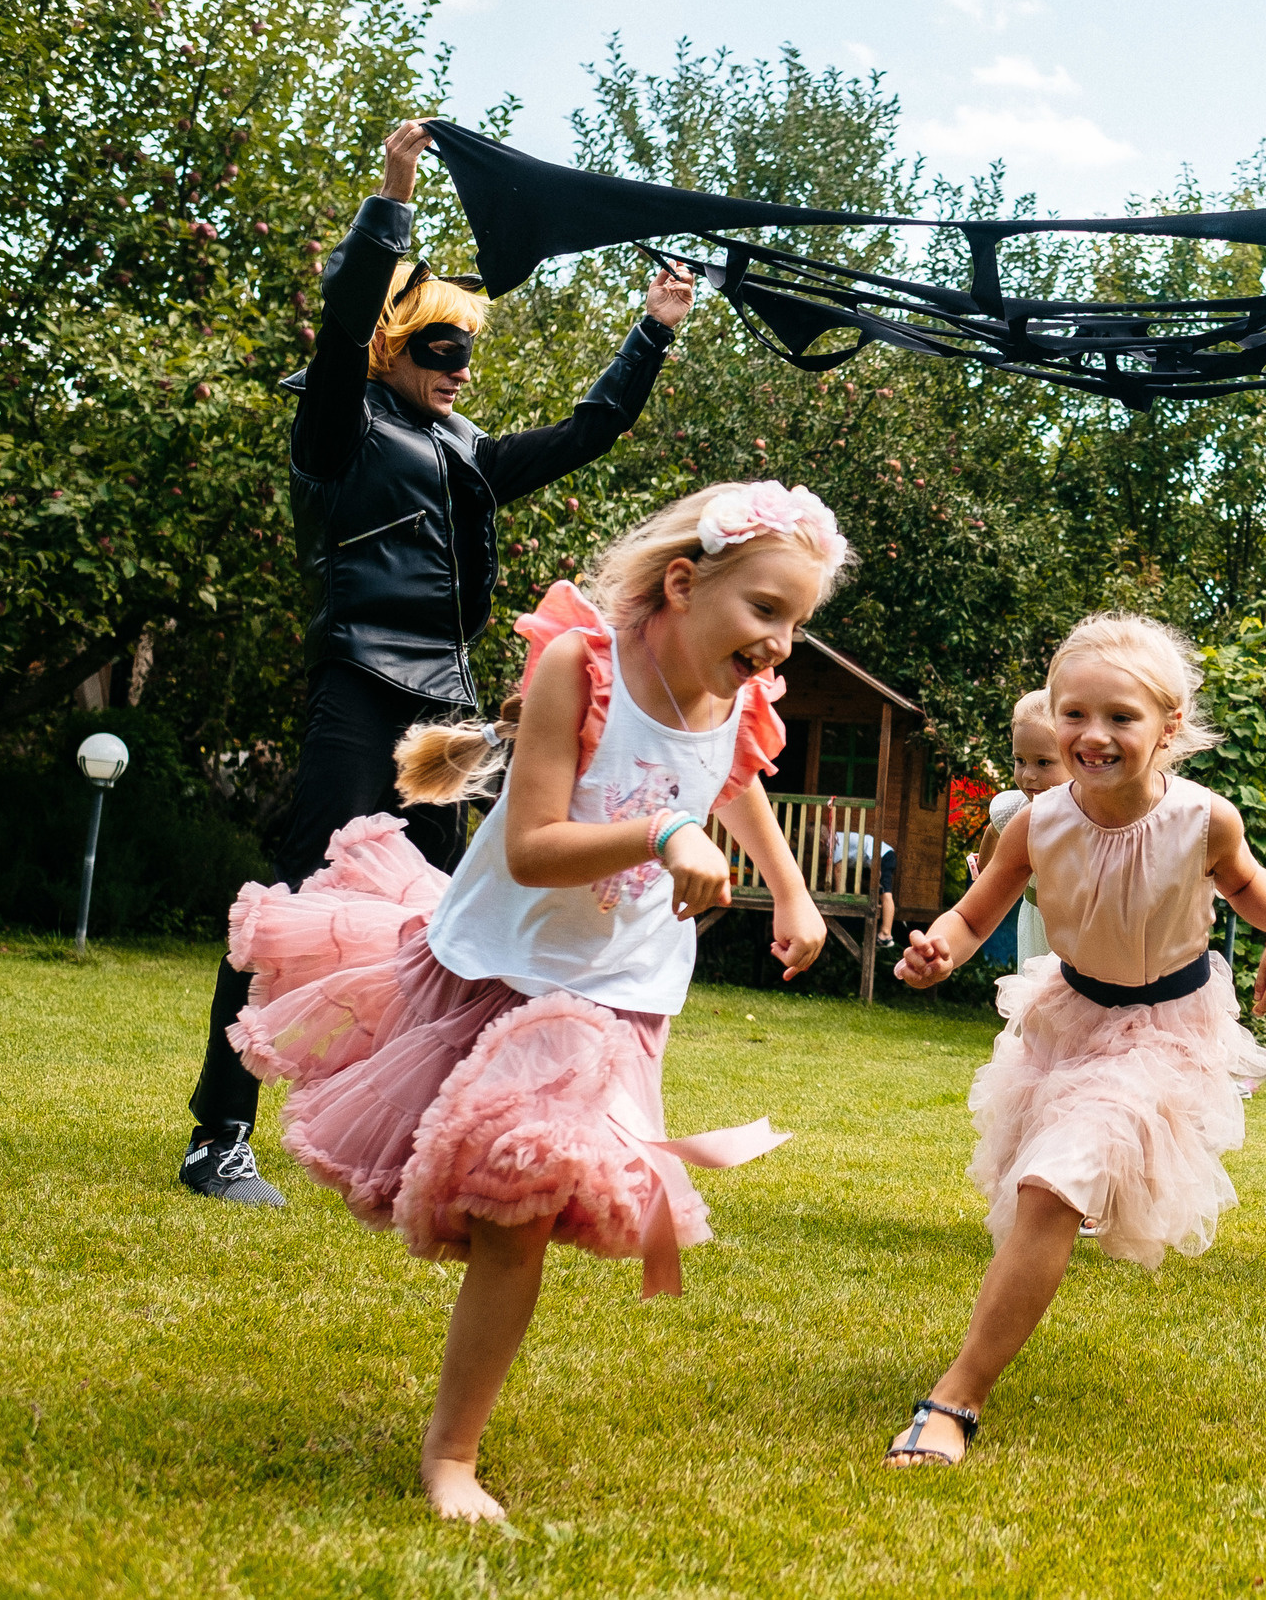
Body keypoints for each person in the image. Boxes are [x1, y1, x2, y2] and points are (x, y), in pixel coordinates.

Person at [222, 481, 843, 1520]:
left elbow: (733, 774)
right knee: (503, 1211)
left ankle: (451, 1450)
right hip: (504, 967)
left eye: (798, 622)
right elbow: (534, 845)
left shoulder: (737, 690)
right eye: (765, 611)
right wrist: (661, 836)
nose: (781, 642)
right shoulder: (584, 665)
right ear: (685, 585)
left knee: (526, 1201)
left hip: (619, 995)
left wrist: (789, 886)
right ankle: (452, 1458)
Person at [179, 119, 699, 1205]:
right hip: (362, 688)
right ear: (392, 347)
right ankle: (216, 1136)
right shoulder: (338, 429)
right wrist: (394, 194)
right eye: (437, 350)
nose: (459, 371)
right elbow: (338, 322)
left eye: (468, 352)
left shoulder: (462, 453)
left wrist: (650, 333)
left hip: (448, 712)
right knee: (289, 904)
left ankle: (434, 1133)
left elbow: (582, 433)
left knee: (455, 921)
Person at [879, 613, 1266, 1466]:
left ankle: (953, 1400)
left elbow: (1252, 885)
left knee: (1052, 1183)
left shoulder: (1204, 820)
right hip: (1069, 1017)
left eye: (1121, 716)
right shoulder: (1038, 822)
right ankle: (1001, 1323)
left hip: (1166, 1030)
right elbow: (978, 912)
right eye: (1074, 713)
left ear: (1168, 726)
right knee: (1045, 1185)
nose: (1094, 734)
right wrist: (941, 950)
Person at [973, 689, 1069, 974]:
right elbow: (995, 830)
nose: (1028, 774)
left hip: (1077, 928)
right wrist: (984, 873)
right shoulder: (1013, 809)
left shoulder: (1089, 815)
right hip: (1035, 921)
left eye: (1043, 762)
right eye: (1020, 760)